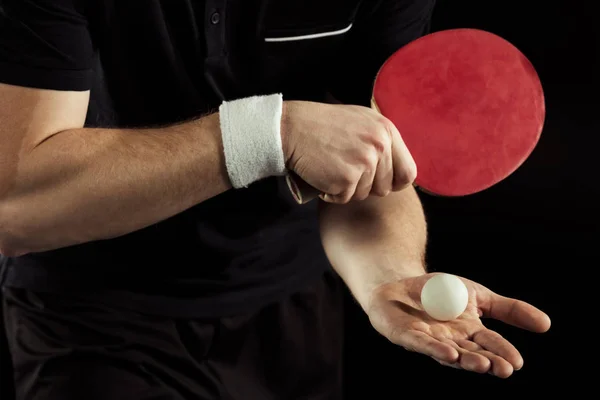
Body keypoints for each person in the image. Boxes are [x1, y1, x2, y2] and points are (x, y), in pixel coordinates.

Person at [0, 0, 551, 399]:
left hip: (290, 310)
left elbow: (367, 159)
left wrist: (389, 273)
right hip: (94, 318)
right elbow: (13, 206)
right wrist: (266, 133)